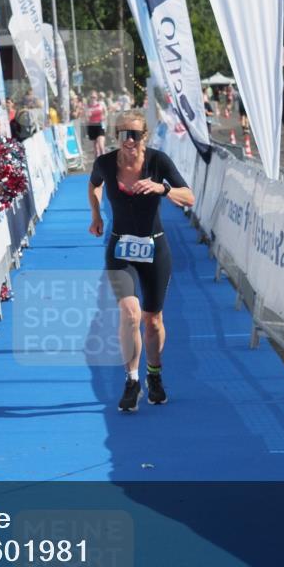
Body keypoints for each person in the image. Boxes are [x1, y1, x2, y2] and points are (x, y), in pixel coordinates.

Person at [87, 110, 195, 413]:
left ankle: (155, 375)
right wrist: (96, 215)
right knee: (130, 313)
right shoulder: (106, 163)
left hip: (154, 248)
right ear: (116, 135)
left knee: (153, 320)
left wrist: (164, 188)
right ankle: (132, 380)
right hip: (120, 248)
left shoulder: (158, 162)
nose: (129, 140)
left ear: (144, 136)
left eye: (135, 134)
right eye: (123, 133)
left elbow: (190, 197)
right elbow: (93, 185)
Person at [85, 91, 107, 158]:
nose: (93, 98)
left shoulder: (101, 104)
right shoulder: (87, 106)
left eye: (94, 97)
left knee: (101, 145)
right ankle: (97, 163)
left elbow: (105, 112)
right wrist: (87, 116)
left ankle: (104, 161)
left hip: (100, 125)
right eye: (91, 97)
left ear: (97, 97)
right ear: (89, 98)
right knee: (95, 147)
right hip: (92, 126)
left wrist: (104, 117)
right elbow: (86, 118)